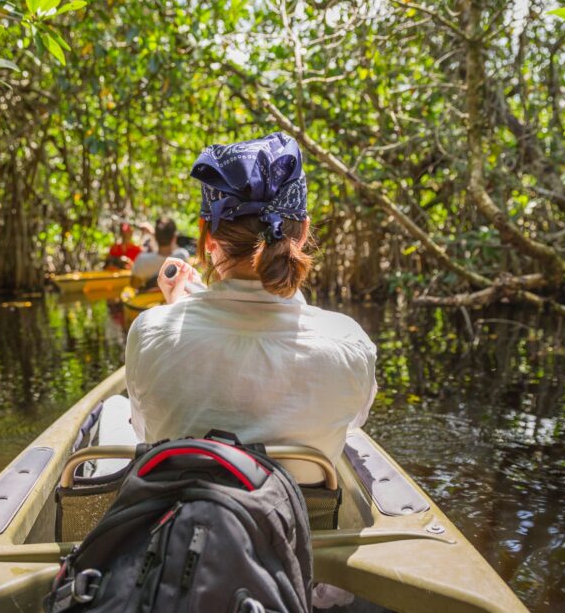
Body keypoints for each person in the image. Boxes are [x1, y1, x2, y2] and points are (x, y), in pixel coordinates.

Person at [125, 132, 378, 486]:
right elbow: (349, 424)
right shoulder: (349, 341)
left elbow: (145, 429)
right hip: (300, 529)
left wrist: (172, 312)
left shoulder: (150, 330)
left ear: (207, 235)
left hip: (186, 529)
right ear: (302, 232)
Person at [130, 217, 190, 287]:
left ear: (155, 236)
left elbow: (134, 285)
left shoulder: (141, 260)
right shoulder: (182, 257)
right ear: (174, 237)